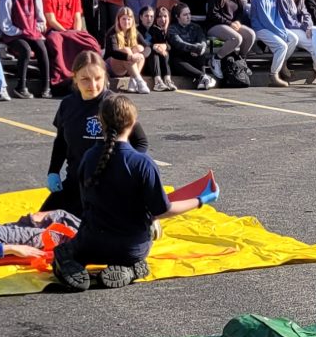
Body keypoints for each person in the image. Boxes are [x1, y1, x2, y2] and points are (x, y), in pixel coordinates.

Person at [49, 94, 202, 290]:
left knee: (64, 251)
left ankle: (71, 266)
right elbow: (162, 210)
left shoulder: (88, 158)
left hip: (91, 244)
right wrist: (199, 200)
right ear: (133, 124)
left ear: (100, 122)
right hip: (131, 247)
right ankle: (132, 268)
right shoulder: (142, 163)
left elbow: (85, 199)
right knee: (137, 247)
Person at [44, 52, 151, 213]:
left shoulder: (115, 105)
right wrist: (53, 171)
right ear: (75, 79)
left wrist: (125, 172)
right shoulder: (67, 105)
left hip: (108, 190)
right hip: (75, 184)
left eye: (98, 78)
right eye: (85, 79)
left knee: (89, 233)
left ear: (105, 77)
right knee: (37, 225)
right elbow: (60, 142)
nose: (92, 85)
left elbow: (141, 142)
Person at [0, 0, 51, 98]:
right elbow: (4, 24)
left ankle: (46, 86)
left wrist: (35, 28)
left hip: (31, 32)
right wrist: (21, 31)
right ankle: (20, 87)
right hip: (14, 35)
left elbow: (40, 19)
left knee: (42, 49)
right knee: (25, 50)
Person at [106, 5, 150, 93]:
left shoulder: (135, 32)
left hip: (128, 66)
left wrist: (141, 55)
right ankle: (140, 81)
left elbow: (148, 48)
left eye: (129, 19)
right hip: (112, 66)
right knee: (127, 50)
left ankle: (132, 81)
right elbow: (113, 52)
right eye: (124, 19)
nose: (127, 21)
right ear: (118, 20)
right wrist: (129, 57)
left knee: (139, 48)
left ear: (133, 20)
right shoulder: (112, 32)